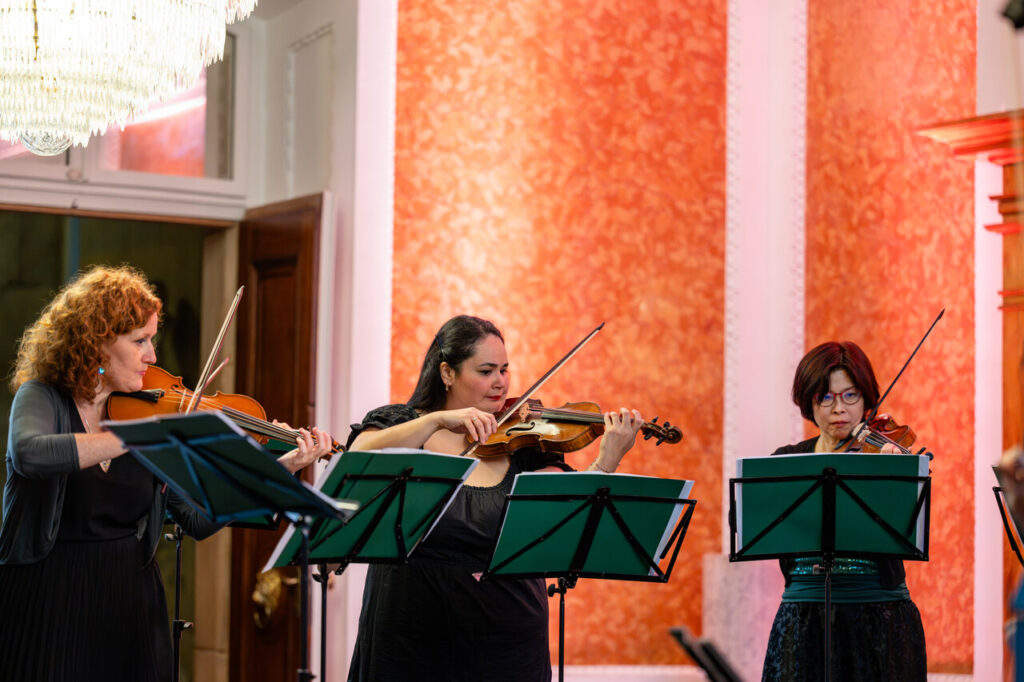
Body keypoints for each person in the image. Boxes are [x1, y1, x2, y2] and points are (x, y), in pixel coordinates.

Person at [0, 265, 333, 682]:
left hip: (130, 605)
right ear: (97, 341)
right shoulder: (43, 397)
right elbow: (30, 454)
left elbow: (195, 517)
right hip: (48, 600)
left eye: (152, 339)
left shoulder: (146, 411)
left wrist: (279, 470)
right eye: (140, 340)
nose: (153, 355)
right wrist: (143, 437)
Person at [345, 314, 645, 682]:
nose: (500, 383)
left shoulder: (527, 445)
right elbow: (356, 456)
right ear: (447, 373)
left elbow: (567, 520)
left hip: (506, 641)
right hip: (412, 637)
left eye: (505, 370)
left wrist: (608, 458)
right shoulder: (401, 423)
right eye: (486, 371)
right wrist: (435, 422)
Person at [761, 340, 927, 681]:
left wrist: (892, 480)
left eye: (850, 396)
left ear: (866, 398)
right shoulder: (786, 461)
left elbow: (907, 531)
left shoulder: (883, 455)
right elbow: (751, 523)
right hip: (803, 618)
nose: (840, 409)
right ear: (808, 401)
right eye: (826, 397)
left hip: (881, 617)